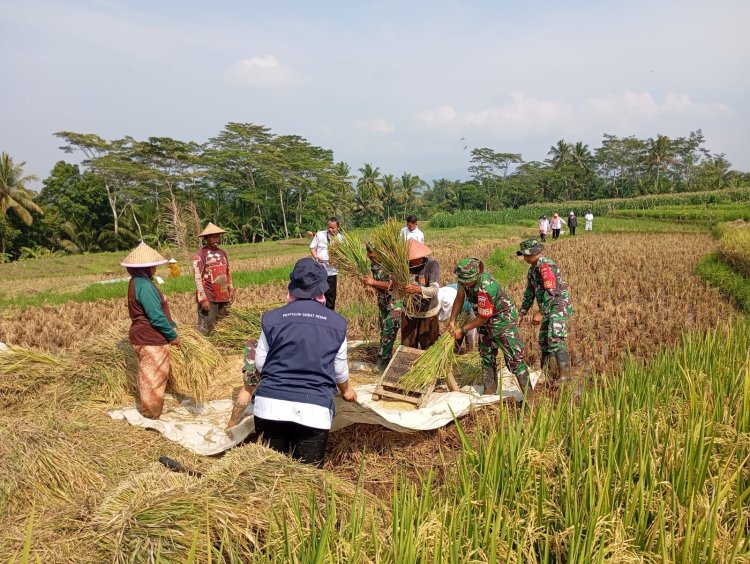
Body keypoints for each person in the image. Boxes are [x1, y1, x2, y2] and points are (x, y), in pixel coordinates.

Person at [226, 258, 357, 467]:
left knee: (270, 473)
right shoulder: (337, 323)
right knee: (306, 477)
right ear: (322, 290)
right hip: (314, 412)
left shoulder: (272, 318)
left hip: (270, 407)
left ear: (292, 287)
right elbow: (340, 370)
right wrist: (347, 391)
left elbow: (260, 363)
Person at [448, 258, 531, 395]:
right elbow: (459, 297)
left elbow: (482, 318)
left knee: (515, 359)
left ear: (477, 275)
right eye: (463, 280)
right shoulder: (463, 280)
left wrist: (462, 330)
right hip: (485, 321)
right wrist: (452, 321)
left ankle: (530, 399)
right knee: (486, 354)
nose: (465, 283)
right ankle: (489, 391)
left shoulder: (486, 288)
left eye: (468, 280)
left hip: (502, 321)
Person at [122, 242, 181, 419]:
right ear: (144, 268)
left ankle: (149, 411)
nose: (155, 268)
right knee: (153, 379)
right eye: (152, 266)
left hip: (141, 336)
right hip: (151, 338)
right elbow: (156, 317)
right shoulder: (145, 286)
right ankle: (151, 414)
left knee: (148, 375)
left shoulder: (137, 282)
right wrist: (173, 336)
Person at [516, 239, 574, 384]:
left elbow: (551, 291)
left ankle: (565, 377)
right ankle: (547, 373)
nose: (524, 258)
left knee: (555, 338)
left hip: (557, 306)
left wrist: (540, 313)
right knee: (544, 340)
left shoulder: (545, 266)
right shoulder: (532, 270)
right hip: (547, 307)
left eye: (526, 255)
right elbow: (529, 293)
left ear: (535, 253)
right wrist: (521, 313)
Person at [361, 242, 402, 373]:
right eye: (369, 255)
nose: (371, 258)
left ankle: (383, 360)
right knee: (384, 329)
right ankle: (385, 356)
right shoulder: (374, 264)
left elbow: (394, 284)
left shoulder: (393, 264)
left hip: (396, 302)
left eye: (373, 255)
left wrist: (373, 282)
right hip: (383, 302)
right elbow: (377, 282)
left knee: (390, 327)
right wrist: (370, 286)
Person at [193, 222, 235, 335]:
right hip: (209, 296)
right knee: (206, 327)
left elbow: (227, 272)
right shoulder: (201, 255)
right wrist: (203, 299)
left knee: (223, 326)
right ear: (206, 238)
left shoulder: (222, 253)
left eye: (218, 236)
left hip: (223, 295)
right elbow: (197, 278)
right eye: (213, 236)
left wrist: (230, 288)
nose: (216, 239)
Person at [398, 240, 441, 350]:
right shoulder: (402, 266)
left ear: (421, 255)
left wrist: (418, 289)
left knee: (428, 345)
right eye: (409, 259)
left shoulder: (432, 265)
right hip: (409, 312)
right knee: (407, 345)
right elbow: (396, 288)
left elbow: (434, 289)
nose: (412, 261)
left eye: (414, 258)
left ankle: (427, 367)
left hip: (427, 311)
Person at [309, 217, 344, 310]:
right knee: (318, 296)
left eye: (333, 228)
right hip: (319, 271)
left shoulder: (342, 239)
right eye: (329, 227)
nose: (330, 230)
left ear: (338, 227)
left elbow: (344, 256)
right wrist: (315, 256)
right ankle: (318, 314)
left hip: (332, 272)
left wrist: (337, 260)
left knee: (331, 296)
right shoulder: (320, 235)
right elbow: (312, 247)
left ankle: (329, 316)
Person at [437, 284, 477, 352]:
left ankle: (470, 353)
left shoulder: (449, 301)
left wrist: (462, 330)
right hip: (456, 301)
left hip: (467, 310)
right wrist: (451, 322)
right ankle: (453, 352)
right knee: (454, 333)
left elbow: (480, 320)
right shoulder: (437, 296)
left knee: (470, 335)